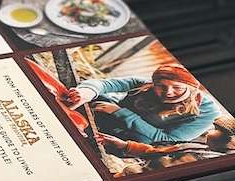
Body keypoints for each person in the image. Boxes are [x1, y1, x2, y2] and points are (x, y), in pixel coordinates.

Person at [58, 63, 221, 148]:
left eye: (177, 88)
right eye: (162, 86)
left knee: (137, 141)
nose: (169, 92)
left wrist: (120, 112)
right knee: (94, 97)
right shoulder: (144, 84)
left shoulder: (207, 110)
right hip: (115, 116)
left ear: (191, 89)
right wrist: (87, 92)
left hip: (140, 137)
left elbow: (170, 140)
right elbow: (105, 84)